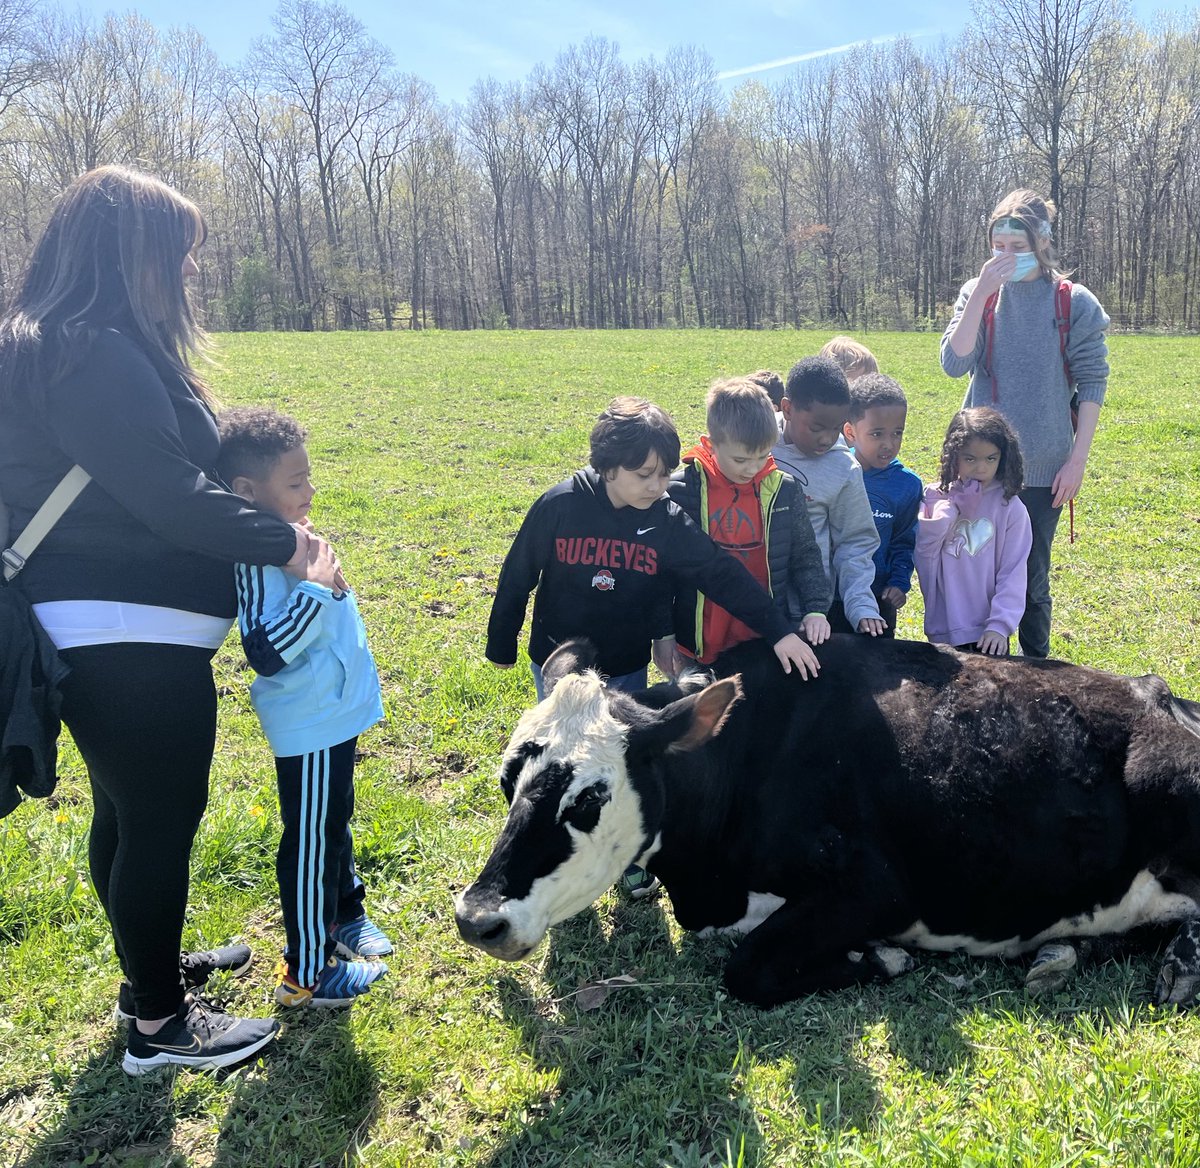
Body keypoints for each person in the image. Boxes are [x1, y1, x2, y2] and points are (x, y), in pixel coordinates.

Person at [0, 166, 325, 1073]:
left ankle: (148, 978)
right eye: (174, 257)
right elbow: (168, 494)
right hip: (123, 631)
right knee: (158, 822)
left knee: (128, 814)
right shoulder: (93, 350)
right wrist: (287, 544)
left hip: (116, 628)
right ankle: (161, 1027)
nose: (185, 276)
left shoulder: (67, 346)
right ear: (121, 255)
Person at [216, 407, 392, 1008]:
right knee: (311, 839)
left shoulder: (292, 538)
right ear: (246, 492)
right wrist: (318, 587)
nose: (310, 491)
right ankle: (307, 974)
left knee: (332, 816)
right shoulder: (254, 555)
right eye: (295, 483)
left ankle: (344, 914)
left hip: (333, 715)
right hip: (309, 723)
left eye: (308, 477)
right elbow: (265, 652)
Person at [940, 188, 1110, 658]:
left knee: (1031, 581)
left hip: (1043, 467)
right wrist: (981, 296)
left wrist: (1077, 461)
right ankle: (974, 668)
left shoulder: (1073, 303)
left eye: (1018, 247)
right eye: (998, 246)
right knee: (972, 570)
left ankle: (1036, 673)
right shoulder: (977, 295)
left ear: (1043, 242)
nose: (1006, 256)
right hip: (977, 462)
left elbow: (1093, 381)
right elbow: (954, 365)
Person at [667, 377, 831, 667]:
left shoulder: (784, 490)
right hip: (695, 642)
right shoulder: (681, 491)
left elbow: (805, 554)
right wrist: (664, 635)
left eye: (763, 456)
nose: (753, 468)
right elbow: (662, 572)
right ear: (711, 444)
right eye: (741, 459)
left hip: (765, 637)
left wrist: (816, 608)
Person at [772, 357, 886, 637]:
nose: (826, 438)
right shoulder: (754, 444)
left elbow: (855, 541)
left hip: (810, 616)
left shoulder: (843, 468)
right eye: (816, 428)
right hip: (754, 608)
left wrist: (860, 605)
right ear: (787, 409)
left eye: (835, 428)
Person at [915, 407, 1032, 655]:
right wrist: (953, 508)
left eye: (991, 458)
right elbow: (924, 555)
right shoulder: (936, 496)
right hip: (944, 629)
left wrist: (1000, 625)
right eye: (970, 459)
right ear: (953, 455)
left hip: (989, 635)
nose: (981, 468)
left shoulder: (1011, 508)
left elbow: (1013, 572)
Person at [842, 373, 923, 638]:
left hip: (879, 601)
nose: (889, 444)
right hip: (831, 599)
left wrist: (899, 583)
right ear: (850, 432)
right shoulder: (836, 472)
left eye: (897, 433)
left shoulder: (907, 485)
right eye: (877, 434)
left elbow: (904, 541)